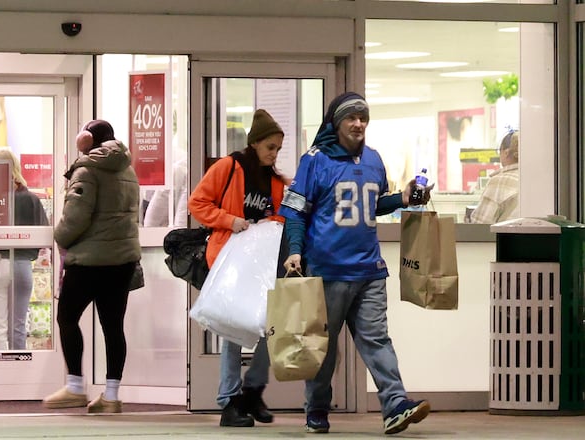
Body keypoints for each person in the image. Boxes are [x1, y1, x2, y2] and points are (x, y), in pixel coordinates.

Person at [279, 92, 432, 435]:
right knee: (323, 348)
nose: (359, 123)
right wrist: (294, 251)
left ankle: (395, 405)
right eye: (352, 117)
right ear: (336, 123)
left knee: (377, 339)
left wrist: (402, 199)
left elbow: (371, 204)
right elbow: (295, 213)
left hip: (369, 271)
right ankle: (316, 409)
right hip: (326, 271)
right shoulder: (314, 161)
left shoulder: (374, 160)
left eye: (363, 117)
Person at [187, 109, 287, 428]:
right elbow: (198, 203)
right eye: (270, 147)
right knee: (231, 330)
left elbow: (280, 216)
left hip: (258, 262)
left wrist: (268, 224)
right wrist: (231, 221)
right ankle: (229, 400)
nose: (274, 154)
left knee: (266, 325)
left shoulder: (274, 181)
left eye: (278, 149)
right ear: (255, 143)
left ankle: (251, 392)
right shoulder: (229, 167)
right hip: (228, 260)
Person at [43, 120, 140, 414]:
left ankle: (75, 387)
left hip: (88, 261)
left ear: (85, 140)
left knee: (67, 317)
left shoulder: (87, 169)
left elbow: (76, 215)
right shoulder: (128, 169)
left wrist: (58, 236)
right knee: (113, 326)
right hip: (122, 261)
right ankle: (111, 396)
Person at [0, 148, 49, 350]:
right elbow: (43, 235)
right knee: (18, 326)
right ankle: (19, 372)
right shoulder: (31, 199)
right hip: (22, 265)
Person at [467, 130, 519, 224]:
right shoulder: (536, 180)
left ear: (506, 152)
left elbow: (480, 224)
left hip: (505, 238)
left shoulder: (500, 181)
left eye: (499, 151)